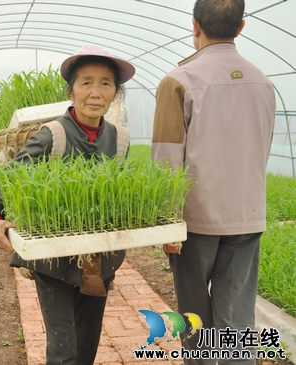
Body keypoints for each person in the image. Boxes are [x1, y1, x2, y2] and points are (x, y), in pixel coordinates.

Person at [0, 45, 136, 365]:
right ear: (71, 90)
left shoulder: (120, 139)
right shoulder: (53, 135)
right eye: (86, 82)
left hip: (99, 261)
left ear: (115, 93)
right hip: (55, 263)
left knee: (87, 344)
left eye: (105, 83)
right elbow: (4, 179)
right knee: (64, 350)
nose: (95, 92)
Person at [152, 1, 275, 364]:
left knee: (194, 318)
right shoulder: (264, 83)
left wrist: (167, 222)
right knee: (237, 317)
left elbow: (166, 159)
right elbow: (261, 150)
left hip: (196, 222)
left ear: (195, 25)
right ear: (241, 28)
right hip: (248, 215)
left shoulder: (179, 81)